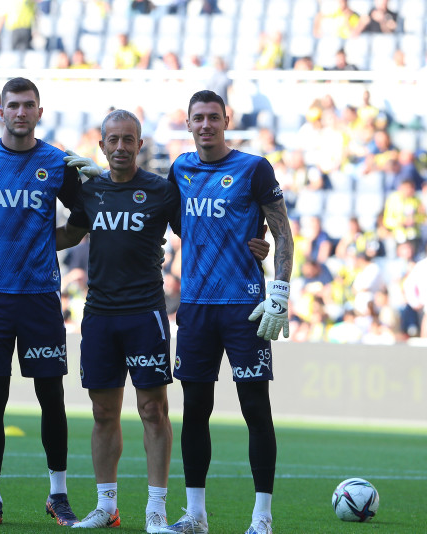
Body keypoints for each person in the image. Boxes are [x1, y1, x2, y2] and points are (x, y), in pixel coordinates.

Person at [55, 110, 269, 533]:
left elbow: (201, 228)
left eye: (128, 140)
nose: (120, 147)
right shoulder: (90, 190)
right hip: (98, 314)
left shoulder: (161, 190)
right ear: (101, 146)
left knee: (153, 409)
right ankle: (106, 506)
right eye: (112, 140)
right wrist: (9, 230)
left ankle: (156, 511)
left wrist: (253, 243)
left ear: (140, 144)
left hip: (145, 314)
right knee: (102, 413)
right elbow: (69, 234)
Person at [0, 77, 89, 526]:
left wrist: (53, 237)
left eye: (29, 105)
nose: (21, 113)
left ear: (39, 112)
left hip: (42, 295)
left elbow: (82, 219)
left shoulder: (56, 161)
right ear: (0, 110)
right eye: (14, 105)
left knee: (52, 397)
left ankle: (58, 495)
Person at [159, 90, 294, 534]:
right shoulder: (180, 168)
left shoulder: (253, 168)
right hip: (196, 307)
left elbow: (282, 232)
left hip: (244, 307)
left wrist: (279, 290)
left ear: (227, 120)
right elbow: (184, 223)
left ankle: (263, 518)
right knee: (195, 408)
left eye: (213, 118)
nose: (205, 125)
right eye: (198, 118)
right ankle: (195, 515)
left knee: (255, 407)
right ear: (189, 123)